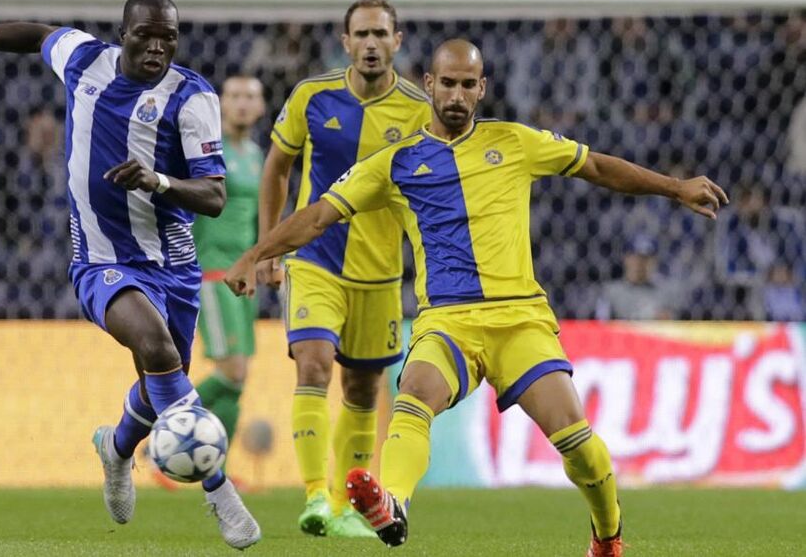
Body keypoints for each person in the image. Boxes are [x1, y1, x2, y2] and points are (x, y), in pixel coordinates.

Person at [225, 39, 728, 555]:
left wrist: (675, 187)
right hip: (448, 322)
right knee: (413, 392)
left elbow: (596, 167)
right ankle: (393, 504)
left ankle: (607, 534)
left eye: (469, 84)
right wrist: (256, 253)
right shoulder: (393, 163)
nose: (458, 95)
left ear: (482, 89)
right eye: (449, 83)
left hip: (519, 322)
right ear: (430, 85)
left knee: (577, 444)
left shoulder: (515, 142)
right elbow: (316, 215)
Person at [0, 0, 261, 550]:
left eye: (168, 38)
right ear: (122, 33)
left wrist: (158, 181)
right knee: (157, 350)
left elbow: (215, 195)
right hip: (100, 259)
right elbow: (35, 34)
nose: (156, 47)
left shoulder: (193, 96)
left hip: (173, 266)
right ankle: (219, 490)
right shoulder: (83, 59)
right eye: (145, 35)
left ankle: (117, 447)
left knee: (159, 386)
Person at [257, 0, 432, 537]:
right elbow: (277, 169)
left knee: (362, 390)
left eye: (382, 34)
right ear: (346, 41)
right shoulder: (312, 95)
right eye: (362, 35)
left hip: (380, 273)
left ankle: (343, 503)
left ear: (398, 42)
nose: (372, 44)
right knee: (312, 364)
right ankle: (313, 496)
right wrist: (269, 246)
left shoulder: (420, 110)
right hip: (316, 260)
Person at [192, 75, 266, 447]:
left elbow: (257, 217)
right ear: (221, 103)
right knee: (231, 371)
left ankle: (216, 472)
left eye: (250, 96)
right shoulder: (208, 151)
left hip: (245, 276)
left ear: (261, 106)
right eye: (234, 95)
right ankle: (157, 425)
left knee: (239, 379)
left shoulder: (255, 156)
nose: (241, 103)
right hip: (213, 271)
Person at [596, 235, 673, 320]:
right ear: (625, 258)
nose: (639, 263)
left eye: (645, 258)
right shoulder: (610, 292)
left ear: (654, 261)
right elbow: (602, 324)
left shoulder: (665, 292)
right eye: (634, 257)